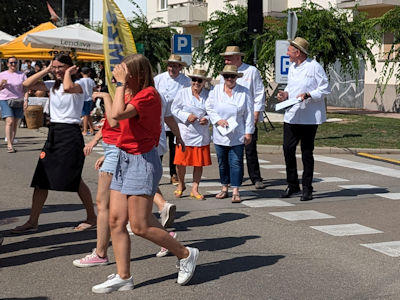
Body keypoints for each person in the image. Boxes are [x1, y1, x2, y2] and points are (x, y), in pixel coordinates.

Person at [92, 54, 198, 294]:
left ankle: (186, 253)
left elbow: (118, 115)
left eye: (126, 73)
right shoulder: (129, 94)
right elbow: (114, 121)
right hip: (123, 157)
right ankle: (123, 276)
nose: (121, 76)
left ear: (138, 74)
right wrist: (111, 95)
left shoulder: (148, 95)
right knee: (116, 220)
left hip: (142, 161)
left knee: (139, 225)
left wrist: (119, 86)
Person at [11, 54, 96, 233]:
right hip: (54, 132)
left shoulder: (84, 83)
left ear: (71, 67)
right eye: (55, 67)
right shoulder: (53, 85)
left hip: (71, 133)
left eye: (60, 67)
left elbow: (69, 87)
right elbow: (25, 85)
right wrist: (47, 69)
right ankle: (33, 220)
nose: (57, 71)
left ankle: (92, 217)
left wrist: (68, 73)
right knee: (41, 178)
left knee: (74, 177)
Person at [277, 37, 331, 201]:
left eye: (289, 51)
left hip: (309, 117)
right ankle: (293, 184)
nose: (287, 54)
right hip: (292, 114)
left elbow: (325, 89)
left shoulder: (314, 67)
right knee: (287, 149)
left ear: (297, 52)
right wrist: (285, 93)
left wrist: (309, 94)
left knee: (307, 152)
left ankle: (307, 187)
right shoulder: (293, 67)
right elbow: (291, 86)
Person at [72, 91, 120, 267]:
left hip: (118, 151)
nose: (116, 83)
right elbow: (109, 123)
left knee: (105, 204)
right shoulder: (124, 96)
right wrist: (94, 141)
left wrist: (106, 97)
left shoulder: (130, 97)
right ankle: (168, 241)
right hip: (113, 150)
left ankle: (100, 254)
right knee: (133, 214)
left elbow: (119, 124)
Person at [205, 65, 254, 203]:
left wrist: (248, 132)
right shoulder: (215, 91)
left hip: (237, 133)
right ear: (223, 78)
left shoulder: (244, 92)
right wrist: (217, 120)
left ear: (237, 78)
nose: (230, 79)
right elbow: (208, 107)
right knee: (222, 162)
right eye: (227, 76)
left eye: (232, 76)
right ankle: (224, 187)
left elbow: (249, 113)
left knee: (236, 162)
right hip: (221, 133)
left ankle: (236, 190)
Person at [220, 46, 266, 189]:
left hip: (247, 116)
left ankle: (256, 177)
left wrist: (257, 112)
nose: (226, 61)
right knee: (230, 149)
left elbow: (259, 93)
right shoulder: (225, 73)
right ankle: (234, 179)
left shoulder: (251, 71)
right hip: (230, 117)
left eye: (229, 58)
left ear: (238, 57)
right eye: (225, 58)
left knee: (250, 148)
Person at [171, 69, 212, 200]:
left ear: (204, 82)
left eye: (200, 80)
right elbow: (174, 109)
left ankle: (195, 188)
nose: (196, 83)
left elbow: (213, 111)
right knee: (181, 162)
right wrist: (186, 116)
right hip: (185, 133)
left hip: (201, 134)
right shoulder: (182, 93)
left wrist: (207, 118)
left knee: (198, 163)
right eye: (194, 80)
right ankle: (181, 184)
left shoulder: (208, 95)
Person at [154, 54, 191, 185]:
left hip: (176, 119)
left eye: (175, 66)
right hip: (161, 119)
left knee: (175, 148)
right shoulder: (158, 79)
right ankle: (156, 174)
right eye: (170, 66)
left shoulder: (185, 81)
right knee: (159, 148)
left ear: (180, 67)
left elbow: (188, 99)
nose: (172, 69)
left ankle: (173, 174)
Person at [0, 56, 29, 153]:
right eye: (11, 63)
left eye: (15, 62)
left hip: (18, 100)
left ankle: (11, 141)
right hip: (5, 99)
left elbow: (25, 88)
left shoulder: (22, 74)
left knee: (15, 123)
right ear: (7, 64)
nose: (13, 64)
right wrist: (1, 85)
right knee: (10, 121)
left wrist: (26, 100)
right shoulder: (2, 74)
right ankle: (9, 144)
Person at [79, 67, 96, 135]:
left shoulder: (80, 81)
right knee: (87, 114)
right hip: (89, 98)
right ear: (89, 73)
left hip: (83, 99)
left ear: (81, 73)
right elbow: (95, 88)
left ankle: (85, 130)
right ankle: (92, 129)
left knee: (85, 115)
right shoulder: (91, 80)